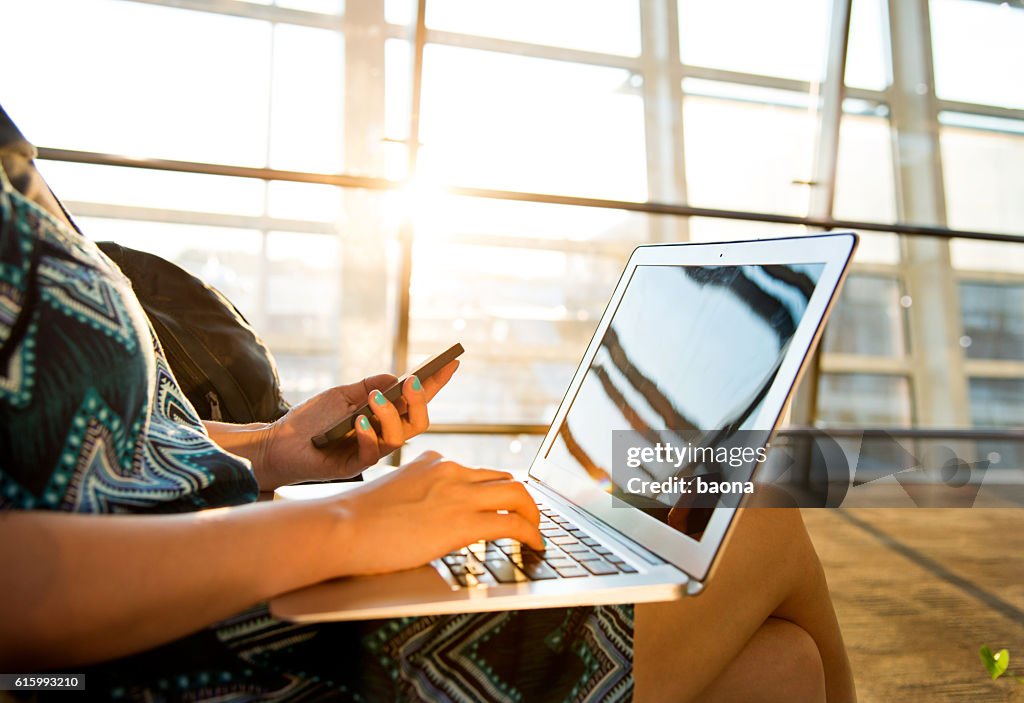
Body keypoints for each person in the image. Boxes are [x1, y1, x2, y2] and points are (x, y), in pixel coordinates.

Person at [0, 105, 856, 702]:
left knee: (781, 672)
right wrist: (346, 527)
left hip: (213, 568)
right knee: (760, 518)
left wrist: (270, 448)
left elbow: (97, 449)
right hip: (155, 652)